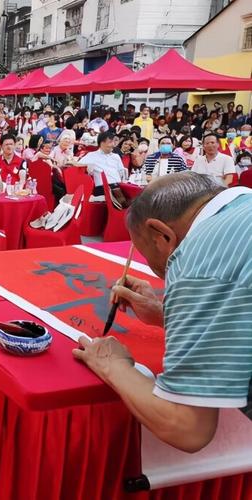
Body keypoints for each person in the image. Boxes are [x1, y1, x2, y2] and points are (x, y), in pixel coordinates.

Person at [74, 172, 251, 452]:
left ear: (162, 235)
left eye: (152, 258)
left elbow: (187, 427)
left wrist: (111, 365)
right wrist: (165, 313)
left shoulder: (197, 260)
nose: (163, 271)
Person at [82, 131, 126, 197]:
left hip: (118, 186)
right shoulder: (92, 155)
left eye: (113, 142)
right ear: (102, 143)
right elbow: (77, 164)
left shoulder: (116, 156)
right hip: (102, 187)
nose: (113, 144)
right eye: (110, 142)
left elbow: (122, 173)